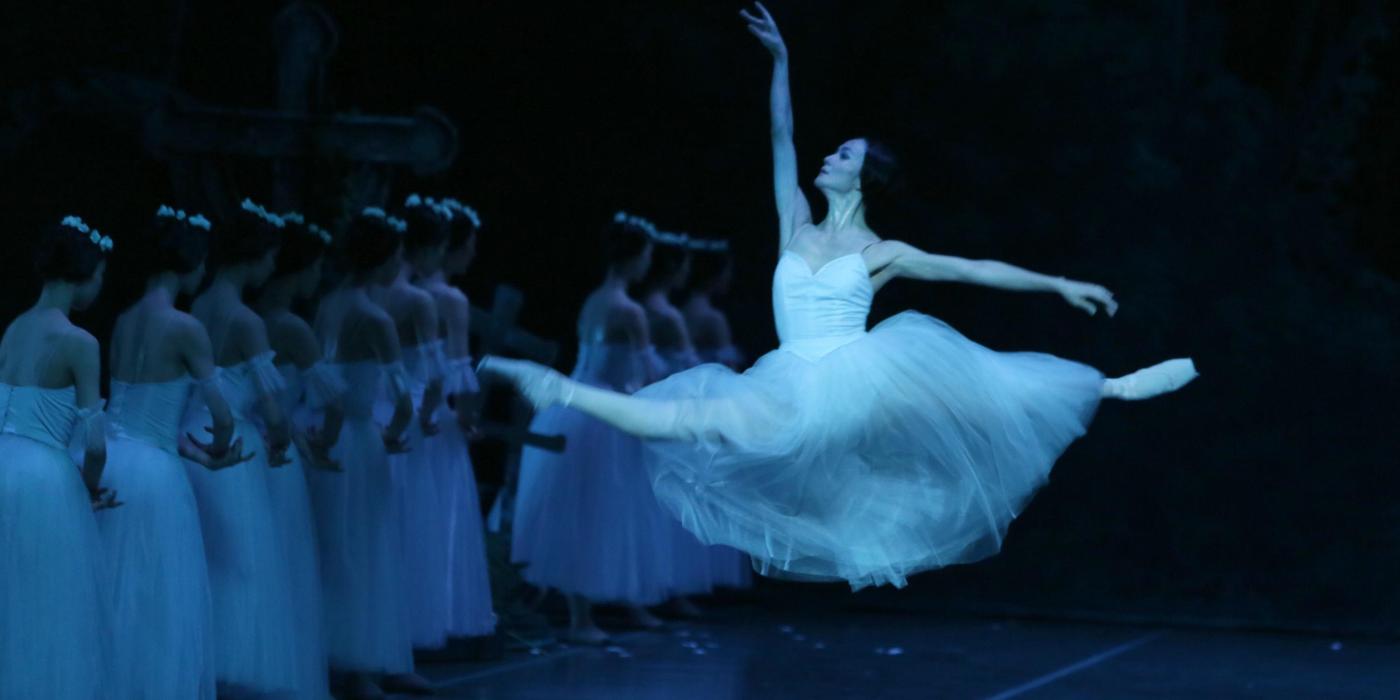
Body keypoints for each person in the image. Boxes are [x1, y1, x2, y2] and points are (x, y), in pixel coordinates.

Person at [479, 2, 1199, 591]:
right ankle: (556, 389)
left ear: (863, 178)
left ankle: (1110, 387)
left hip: (856, 377)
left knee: (976, 388)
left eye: (844, 155)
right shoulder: (793, 218)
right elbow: (781, 132)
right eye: (833, 151)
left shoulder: (882, 254)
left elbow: (972, 269)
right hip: (790, 378)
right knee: (681, 420)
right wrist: (782, 62)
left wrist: (1058, 283)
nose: (829, 157)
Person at [101, 206, 252, 699]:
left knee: (118, 590)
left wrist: (193, 450)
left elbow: (132, 414)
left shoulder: (123, 319)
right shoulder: (185, 326)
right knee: (161, 596)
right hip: (158, 475)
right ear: (190, 262)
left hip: (116, 461)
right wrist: (217, 449)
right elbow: (222, 414)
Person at [510, 213, 676, 644]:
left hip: (573, 407)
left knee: (581, 511)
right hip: (602, 412)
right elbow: (644, 372)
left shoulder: (594, 300)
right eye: (647, 255)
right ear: (636, 256)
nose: (648, 263)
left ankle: (586, 611)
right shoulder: (629, 310)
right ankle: (583, 617)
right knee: (597, 512)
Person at [311, 207, 430, 699]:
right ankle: (360, 668)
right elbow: (403, 396)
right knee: (364, 546)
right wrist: (395, 432)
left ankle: (340, 658)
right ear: (383, 260)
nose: (401, 263)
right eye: (397, 255)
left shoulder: (327, 305)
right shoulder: (375, 317)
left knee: (334, 546)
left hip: (322, 429)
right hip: (358, 435)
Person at [183, 198, 301, 693]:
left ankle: (207, 670)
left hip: (189, 437)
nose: (274, 266)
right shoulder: (245, 320)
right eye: (271, 255)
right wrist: (281, 442)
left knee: (207, 563)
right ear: (255, 255)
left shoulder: (196, 307)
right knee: (242, 566)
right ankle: (236, 678)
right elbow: (274, 411)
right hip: (233, 448)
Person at [0, 215, 114, 699]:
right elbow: (94, 443)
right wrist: (88, 489)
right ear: (85, 274)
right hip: (46, 479)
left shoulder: (13, 328)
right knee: (47, 606)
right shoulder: (78, 341)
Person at [256, 209, 342, 699]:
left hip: (262, 446)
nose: (317, 277)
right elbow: (330, 398)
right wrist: (324, 444)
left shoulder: (244, 316)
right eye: (314, 268)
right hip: (280, 456)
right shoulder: (289, 326)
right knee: (285, 566)